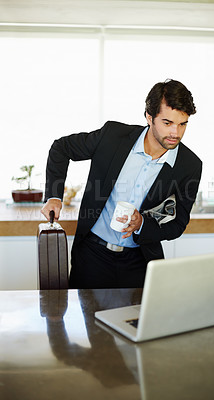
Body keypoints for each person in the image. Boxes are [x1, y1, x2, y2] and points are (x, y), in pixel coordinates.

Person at [41, 79, 202, 289]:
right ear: (149, 117)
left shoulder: (189, 165)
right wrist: (54, 196)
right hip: (91, 257)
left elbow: (178, 225)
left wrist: (142, 224)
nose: (176, 133)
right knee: (84, 322)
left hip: (140, 263)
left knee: (135, 322)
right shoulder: (112, 136)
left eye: (182, 124)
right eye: (167, 123)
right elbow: (61, 148)